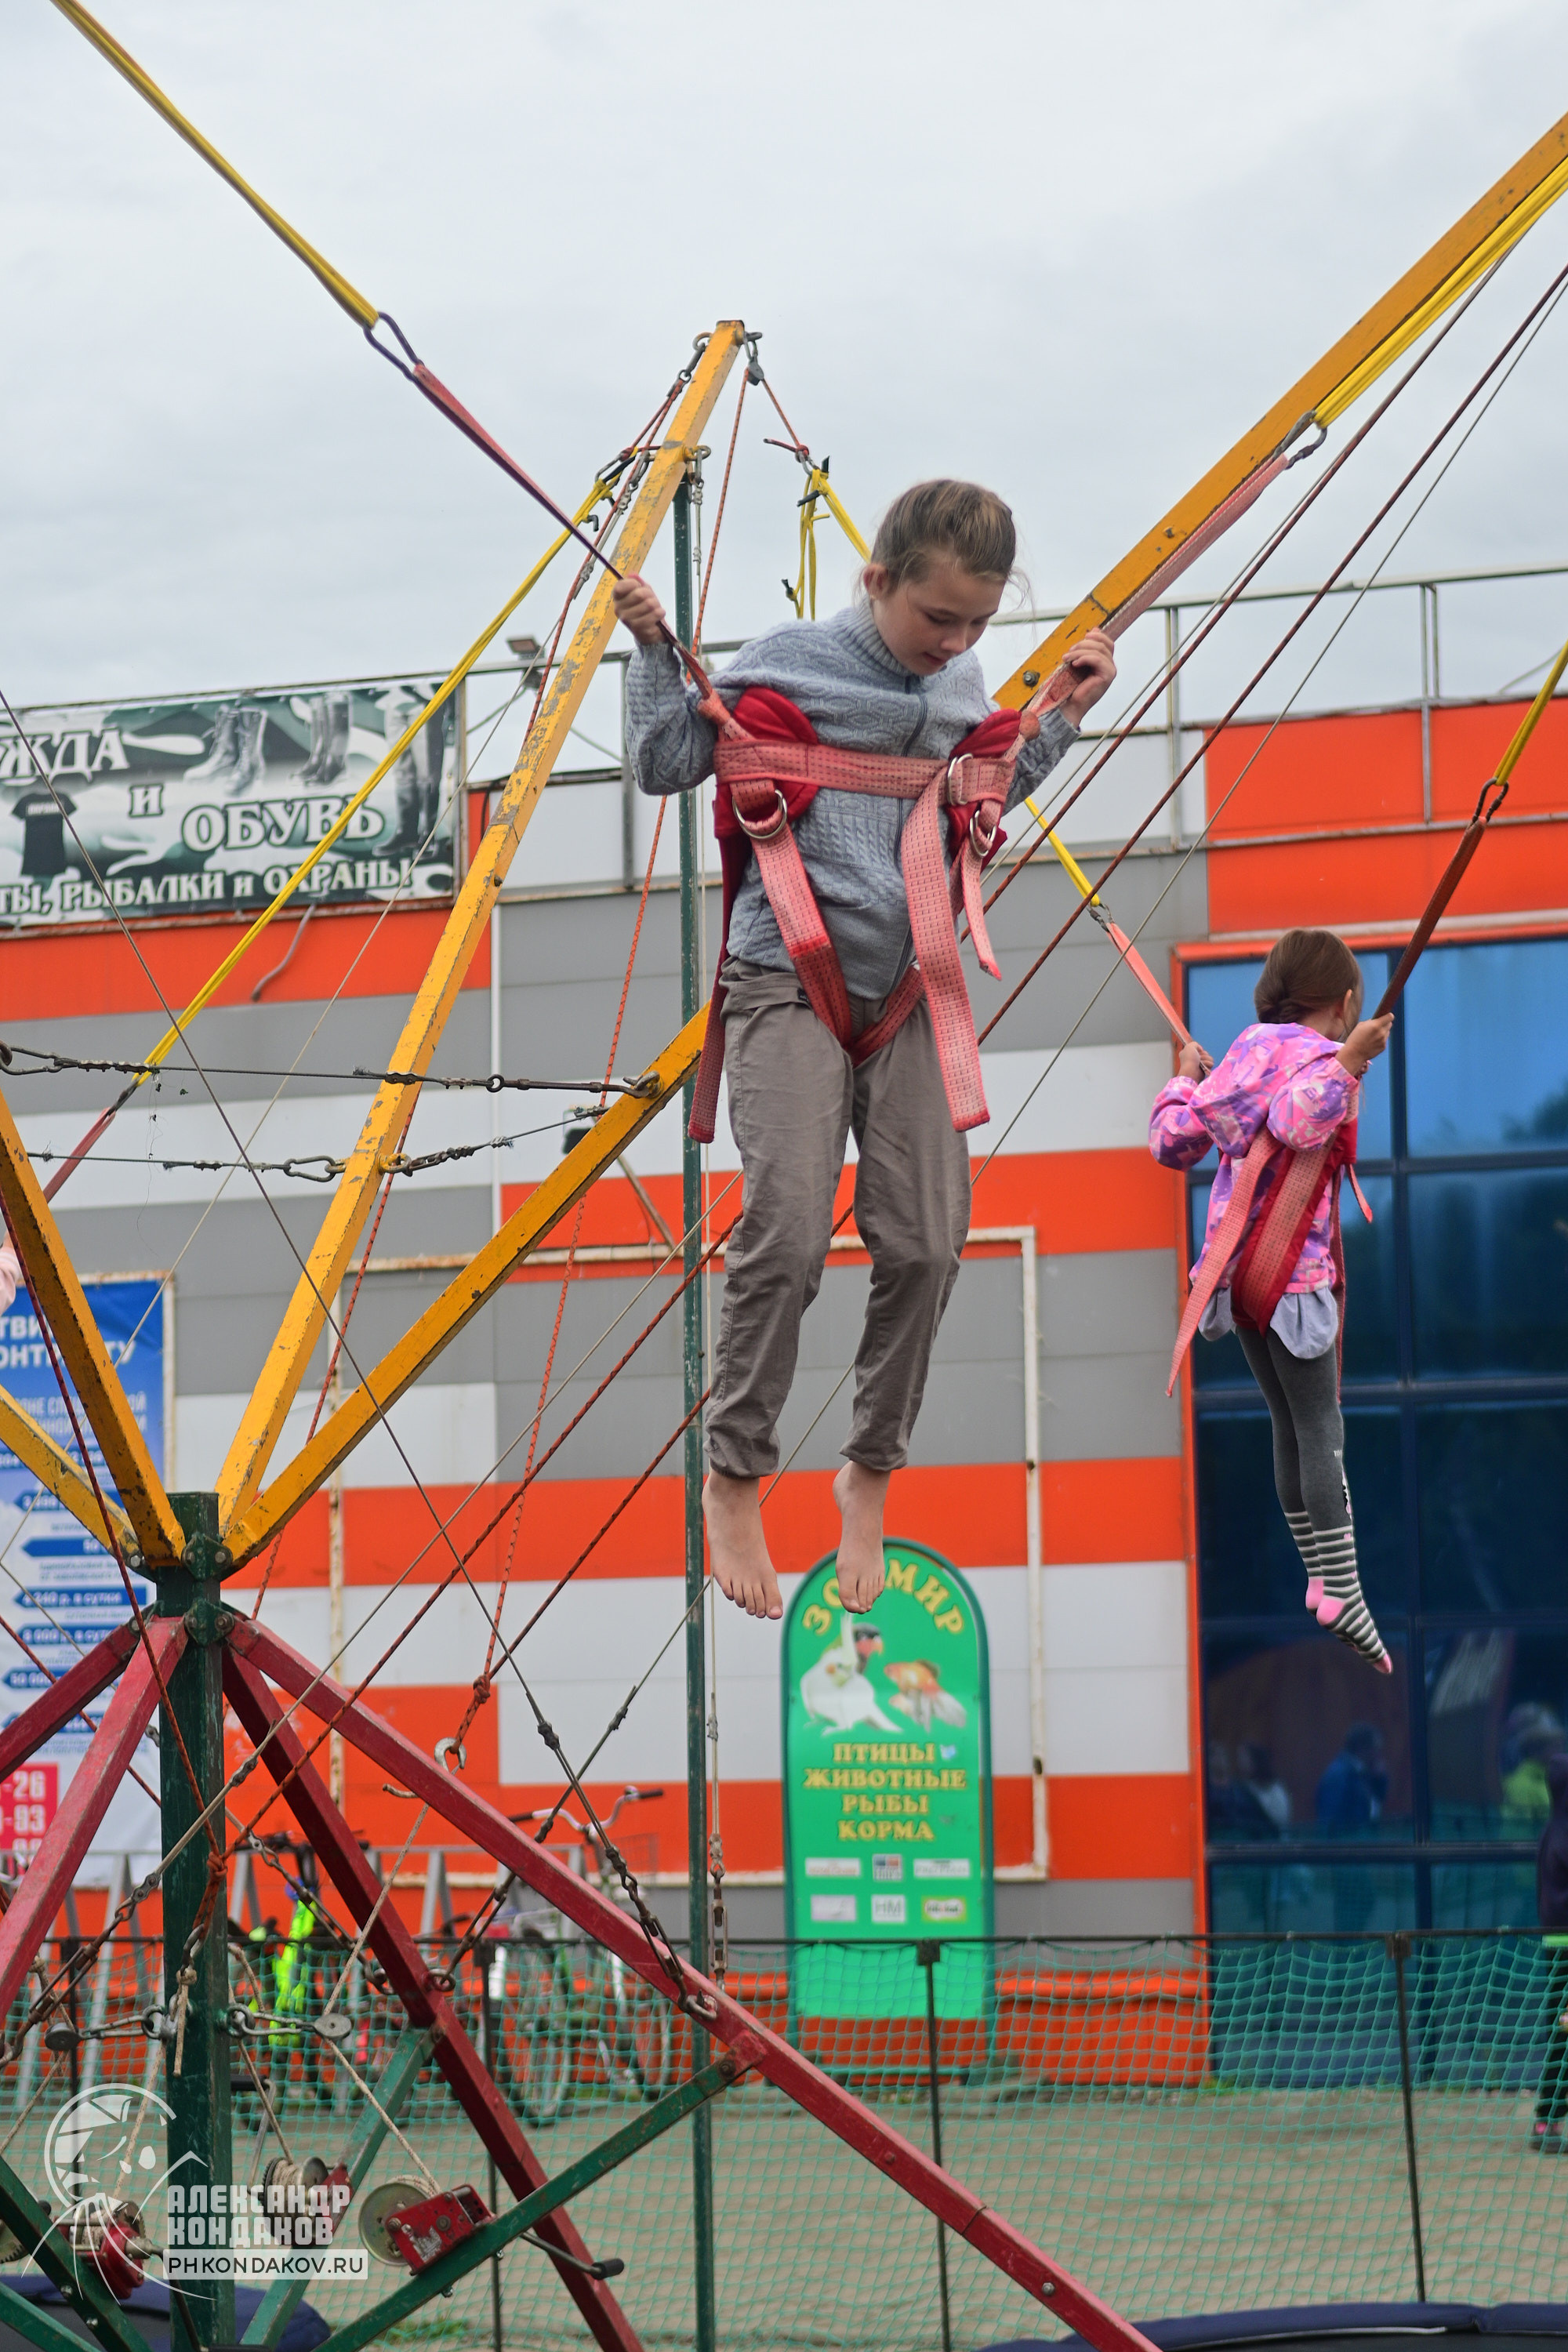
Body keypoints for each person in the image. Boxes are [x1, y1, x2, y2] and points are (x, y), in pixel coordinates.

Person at [615, 480, 1115, 1622]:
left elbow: (987, 790)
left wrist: (1065, 714)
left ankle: (869, 1471)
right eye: (939, 618)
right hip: (788, 976)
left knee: (931, 1245)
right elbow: (661, 761)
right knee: (785, 1232)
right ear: (878, 580)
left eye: (979, 626)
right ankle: (735, 1473)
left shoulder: (965, 686)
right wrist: (651, 651)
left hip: (910, 992)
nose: (957, 646)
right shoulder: (787, 661)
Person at [1149, 927, 1393, 1671]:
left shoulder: (1248, 1051)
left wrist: (1184, 1081)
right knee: (1321, 1430)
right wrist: (1349, 1063)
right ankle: (1344, 1588)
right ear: (1346, 1001)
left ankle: (1320, 1580)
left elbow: (1173, 1141)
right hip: (1294, 1273)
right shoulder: (1322, 1059)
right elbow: (1297, 1121)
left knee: (1288, 1428)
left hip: (1234, 1274)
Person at [1533, 1751, 1568, 2152]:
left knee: (1563, 2030)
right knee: (1564, 2030)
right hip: (1563, 1950)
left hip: (1556, 1947)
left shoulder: (1552, 1830)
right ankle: (1546, 2119)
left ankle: (1548, 2117)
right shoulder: (1561, 1834)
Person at [1316, 1722, 1388, 1833]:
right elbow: (1332, 1821)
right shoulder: (1339, 1776)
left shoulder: (1362, 1772)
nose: (1378, 1754)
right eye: (1376, 1748)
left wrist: (1379, 1779)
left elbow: (1376, 1802)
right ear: (1362, 1748)